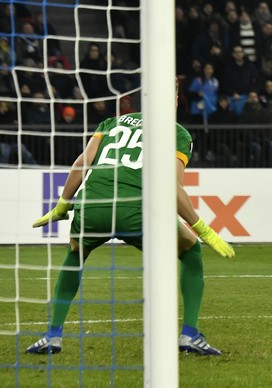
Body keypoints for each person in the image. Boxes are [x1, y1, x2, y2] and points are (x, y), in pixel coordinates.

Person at [25, 84, 235, 355]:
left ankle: (52, 335)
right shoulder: (177, 133)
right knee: (191, 249)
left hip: (93, 204)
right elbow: (172, 187)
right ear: (172, 99)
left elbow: (82, 162)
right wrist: (202, 229)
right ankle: (189, 335)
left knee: (74, 255)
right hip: (137, 210)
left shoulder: (111, 122)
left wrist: (63, 204)